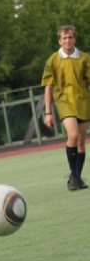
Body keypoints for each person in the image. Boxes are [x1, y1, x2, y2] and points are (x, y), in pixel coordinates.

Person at [42, 24, 90, 191]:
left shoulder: (84, 58)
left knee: (81, 141)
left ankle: (76, 178)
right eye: (64, 38)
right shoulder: (53, 60)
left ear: (75, 39)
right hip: (64, 101)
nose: (68, 40)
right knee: (73, 134)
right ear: (59, 41)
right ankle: (74, 177)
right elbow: (48, 87)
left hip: (82, 101)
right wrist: (48, 112)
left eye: (70, 37)